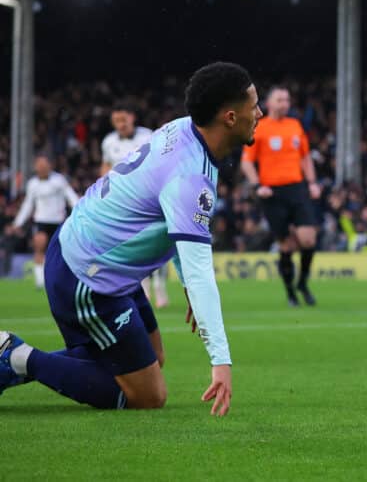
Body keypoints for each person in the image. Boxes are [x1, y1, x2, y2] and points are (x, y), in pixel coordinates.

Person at [0, 62, 260, 415]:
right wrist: (221, 362)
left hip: (97, 255)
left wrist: (185, 285)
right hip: (86, 276)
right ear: (230, 117)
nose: (259, 113)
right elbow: (201, 272)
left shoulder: (181, 129)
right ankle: (17, 356)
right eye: (253, 105)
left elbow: (179, 229)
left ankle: (18, 359)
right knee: (148, 396)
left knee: (152, 357)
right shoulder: (190, 178)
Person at [240, 86, 321, 307]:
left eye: (286, 99)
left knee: (308, 238)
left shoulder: (295, 126)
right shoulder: (260, 128)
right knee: (286, 245)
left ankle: (302, 283)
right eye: (280, 100)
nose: (284, 103)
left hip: (296, 188)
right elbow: (246, 162)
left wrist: (312, 183)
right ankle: (291, 293)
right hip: (272, 192)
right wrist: (257, 185)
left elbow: (305, 157)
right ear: (269, 103)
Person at [101, 103, 164, 307]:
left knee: (157, 243)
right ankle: (143, 288)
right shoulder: (109, 142)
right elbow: (106, 167)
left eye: (123, 120)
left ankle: (160, 285)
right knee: (135, 245)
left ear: (132, 117)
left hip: (149, 198)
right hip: (124, 202)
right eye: (116, 121)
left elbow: (161, 162)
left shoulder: (148, 136)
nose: (120, 124)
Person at [11, 155, 79, 289]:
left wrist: (79, 210)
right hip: (41, 221)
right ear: (35, 167)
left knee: (62, 252)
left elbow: (70, 196)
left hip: (58, 221)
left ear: (49, 166)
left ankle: (61, 279)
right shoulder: (32, 184)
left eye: (44, 165)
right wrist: (17, 223)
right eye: (39, 166)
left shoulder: (59, 180)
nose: (41, 168)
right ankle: (40, 281)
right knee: (39, 246)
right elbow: (28, 205)